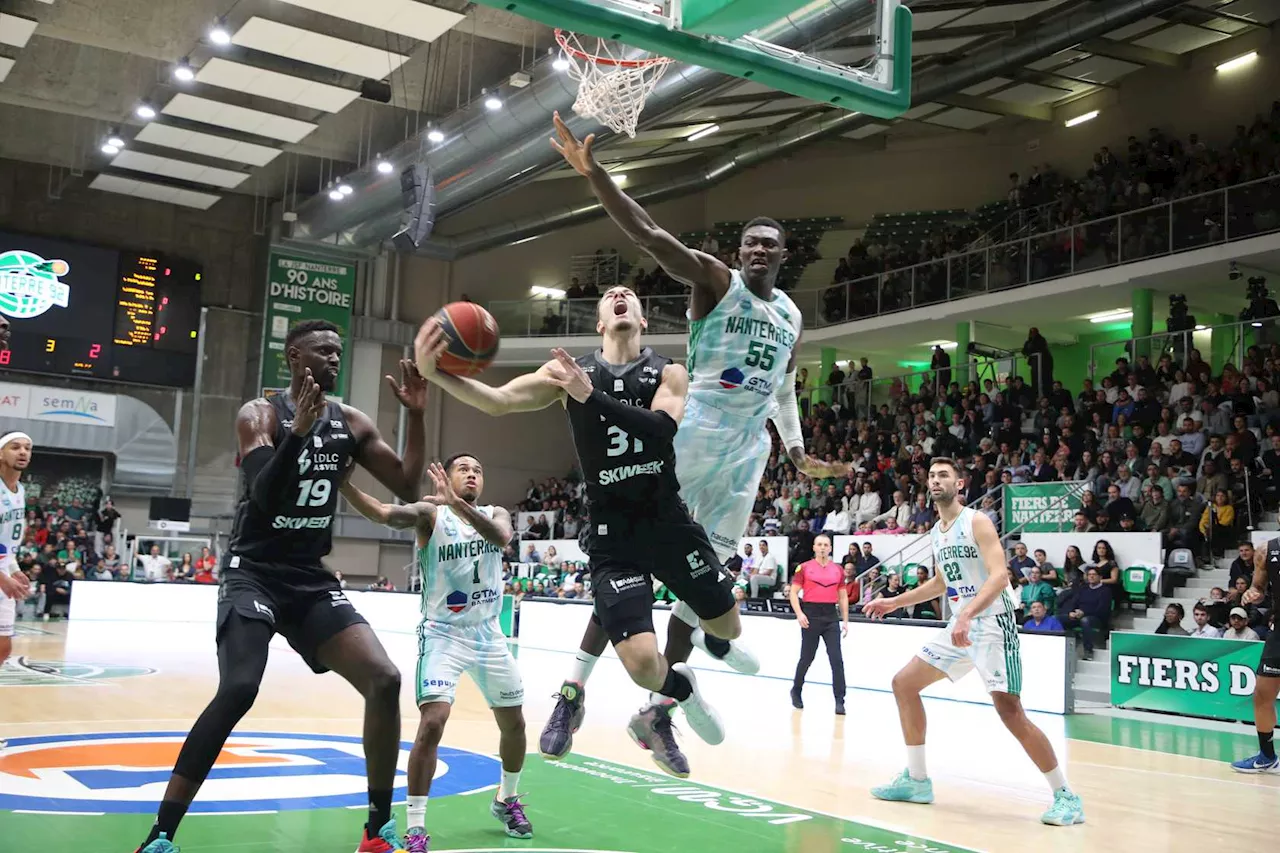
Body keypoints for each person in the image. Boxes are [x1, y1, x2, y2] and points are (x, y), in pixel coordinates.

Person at [535, 112, 848, 765]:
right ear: (738, 254)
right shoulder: (716, 281)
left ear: (786, 255)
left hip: (747, 454)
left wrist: (793, 449)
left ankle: (659, 710)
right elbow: (649, 234)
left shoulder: (791, 314)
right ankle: (574, 687)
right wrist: (597, 177)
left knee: (697, 579)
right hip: (694, 433)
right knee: (636, 560)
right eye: (750, 243)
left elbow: (783, 386)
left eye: (770, 244)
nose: (759, 250)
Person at [413, 289, 740, 777]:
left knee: (726, 628)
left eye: (628, 294)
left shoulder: (669, 371)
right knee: (643, 666)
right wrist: (435, 372)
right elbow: (500, 402)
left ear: (644, 320)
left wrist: (592, 396)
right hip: (614, 537)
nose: (619, 296)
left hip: (669, 522)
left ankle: (652, 679)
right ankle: (679, 691)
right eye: (610, 296)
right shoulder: (566, 374)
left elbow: (660, 429)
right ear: (601, 323)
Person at [135, 320, 430, 853]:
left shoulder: (352, 422)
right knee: (240, 688)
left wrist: (415, 413)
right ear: (295, 357)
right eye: (324, 350)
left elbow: (407, 484)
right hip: (254, 572)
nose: (335, 359)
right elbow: (265, 494)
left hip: (309, 580)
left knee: (385, 679)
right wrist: (297, 433)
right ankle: (160, 835)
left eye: (340, 352)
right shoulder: (260, 414)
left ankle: (376, 830)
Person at [862, 458, 1084, 825]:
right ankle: (917, 781)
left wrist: (965, 614)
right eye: (931, 476)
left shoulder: (977, 521)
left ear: (960, 484)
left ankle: (1066, 796)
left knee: (1010, 713)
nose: (935, 480)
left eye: (943, 475)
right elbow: (940, 583)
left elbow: (1000, 576)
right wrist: (893, 601)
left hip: (992, 623)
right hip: (960, 626)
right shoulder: (937, 530)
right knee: (904, 684)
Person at [342, 456, 532, 849]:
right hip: (443, 634)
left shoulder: (495, 513)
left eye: (478, 470)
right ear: (448, 475)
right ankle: (415, 827)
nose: (472, 474)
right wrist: (343, 484)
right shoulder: (431, 514)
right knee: (433, 722)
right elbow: (381, 512)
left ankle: (507, 798)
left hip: (488, 635)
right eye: (463, 468)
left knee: (514, 724)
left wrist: (457, 504)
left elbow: (501, 538)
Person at [1231, 537, 1280, 772]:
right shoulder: (1266, 550)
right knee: (1262, 695)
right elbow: (1258, 588)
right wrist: (1254, 593)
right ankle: (1267, 756)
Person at [788, 534, 849, 715]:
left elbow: (843, 596)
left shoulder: (838, 570)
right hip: (811, 615)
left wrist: (845, 620)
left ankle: (840, 700)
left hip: (830, 615)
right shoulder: (804, 568)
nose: (822, 548)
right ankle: (796, 689)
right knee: (807, 658)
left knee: (836, 659)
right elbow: (793, 592)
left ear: (830, 548)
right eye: (819, 544)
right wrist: (799, 614)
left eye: (826, 545)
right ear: (814, 547)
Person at [0, 432, 34, 752]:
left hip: (1, 573)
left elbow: (5, 546)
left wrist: (14, 571)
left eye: (27, 448)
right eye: (15, 447)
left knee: (3, 649)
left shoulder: (19, 491)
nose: (22, 452)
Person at [1058, 567, 1113, 658]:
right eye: (1089, 575)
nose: (1091, 577)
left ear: (1100, 577)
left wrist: (1084, 613)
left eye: (1094, 575)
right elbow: (1074, 603)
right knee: (1058, 619)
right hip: (1079, 615)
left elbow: (1102, 610)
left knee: (1085, 621)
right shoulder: (1083, 589)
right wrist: (1071, 612)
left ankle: (1088, 651)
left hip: (1097, 618)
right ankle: (1063, 648)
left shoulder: (1105, 591)